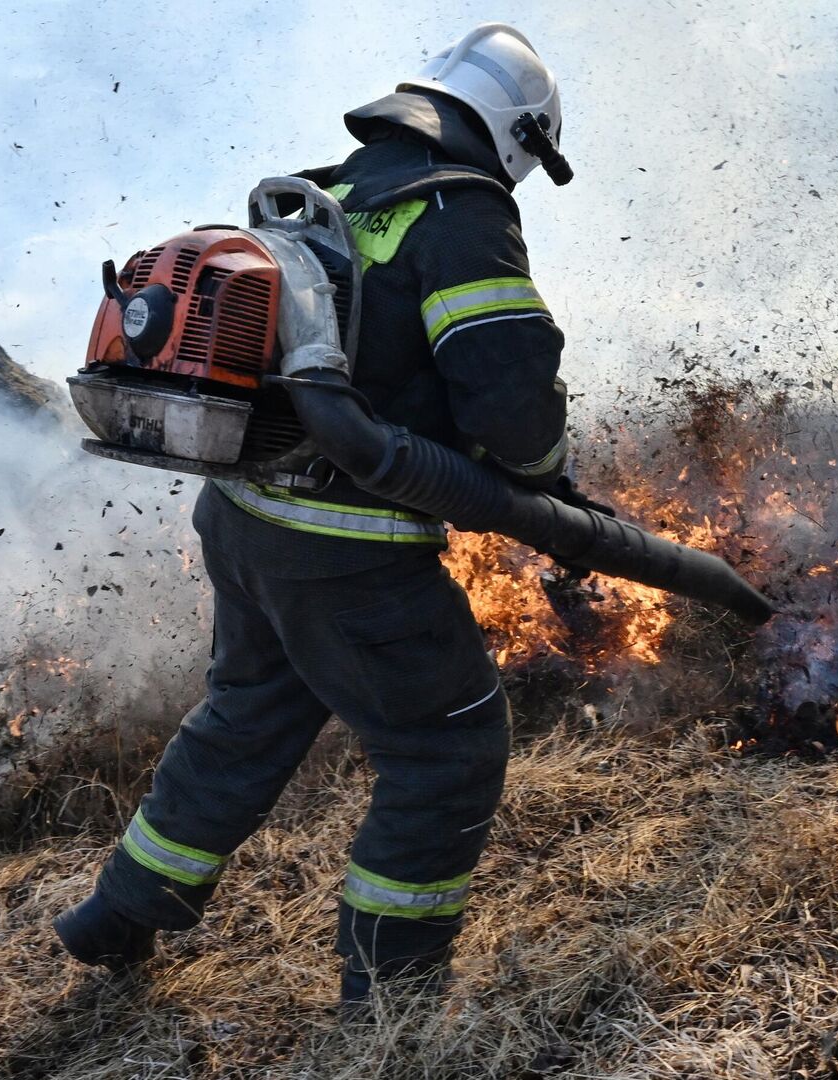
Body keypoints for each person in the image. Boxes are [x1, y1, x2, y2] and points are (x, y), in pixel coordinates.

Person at [53, 23, 573, 1011]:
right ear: (519, 136)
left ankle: (117, 914)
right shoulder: (460, 213)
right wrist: (549, 478)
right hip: (350, 550)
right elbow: (510, 401)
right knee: (447, 748)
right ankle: (392, 993)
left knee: (243, 723)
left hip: (245, 520)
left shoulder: (331, 188)